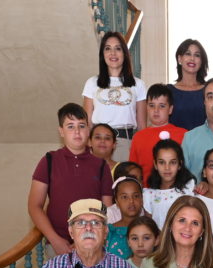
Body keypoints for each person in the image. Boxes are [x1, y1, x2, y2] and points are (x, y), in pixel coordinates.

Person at [29, 103, 114, 255]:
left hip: (92, 242)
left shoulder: (101, 165)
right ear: (61, 131)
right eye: (70, 126)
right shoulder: (49, 160)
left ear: (88, 129)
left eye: (81, 126)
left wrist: (86, 241)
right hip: (57, 245)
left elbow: (106, 210)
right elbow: (34, 206)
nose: (77, 131)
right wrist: (54, 239)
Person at [83, 31, 146, 163]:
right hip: (99, 143)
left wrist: (141, 150)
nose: (113, 53)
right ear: (103, 54)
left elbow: (141, 125)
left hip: (125, 142)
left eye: (118, 48)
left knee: (124, 183)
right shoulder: (92, 83)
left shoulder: (138, 85)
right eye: (108, 49)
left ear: (125, 53)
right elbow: (87, 121)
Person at [129, 83, 187, 183]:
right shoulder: (138, 137)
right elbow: (133, 170)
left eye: (162, 106)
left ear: (170, 109)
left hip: (176, 190)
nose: (156, 110)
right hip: (147, 192)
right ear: (146, 107)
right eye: (152, 105)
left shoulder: (184, 134)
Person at [144, 138, 196, 229]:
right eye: (161, 162)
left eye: (172, 162)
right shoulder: (148, 194)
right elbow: (149, 228)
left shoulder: (189, 188)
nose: (167, 168)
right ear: (155, 164)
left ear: (180, 164)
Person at [168, 39, 208, 131]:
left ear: (201, 61)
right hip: (175, 143)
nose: (192, 58)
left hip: (205, 143)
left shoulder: (208, 90)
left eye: (197, 55)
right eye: (188, 54)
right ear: (179, 59)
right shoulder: (169, 91)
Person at [106, 176, 144, 260]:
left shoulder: (151, 229)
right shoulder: (109, 232)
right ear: (117, 202)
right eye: (124, 197)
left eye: (136, 196)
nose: (131, 201)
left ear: (142, 199)